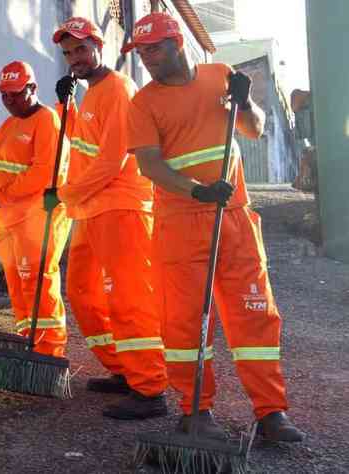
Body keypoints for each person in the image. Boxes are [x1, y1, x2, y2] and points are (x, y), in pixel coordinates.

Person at [124, 12, 305, 441]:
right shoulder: (143, 103)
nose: (147, 58)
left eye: (155, 48)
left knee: (255, 316)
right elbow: (149, 164)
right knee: (185, 324)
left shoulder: (220, 75)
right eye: (142, 51)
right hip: (181, 223)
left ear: (177, 43)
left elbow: (254, 128)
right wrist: (197, 191)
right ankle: (195, 410)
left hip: (236, 219)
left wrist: (244, 101)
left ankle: (270, 412)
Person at [43, 17, 168, 419]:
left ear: (98, 46)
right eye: (67, 52)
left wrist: (62, 195)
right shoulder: (91, 92)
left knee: (129, 297)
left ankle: (150, 388)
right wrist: (67, 105)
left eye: (81, 48)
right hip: (90, 209)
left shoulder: (118, 89)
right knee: (83, 292)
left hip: (120, 207)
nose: (74, 57)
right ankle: (123, 367)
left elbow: (112, 161)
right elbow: (82, 144)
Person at [0, 61, 71, 357]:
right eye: (5, 96)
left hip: (36, 218)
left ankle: (49, 352)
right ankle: (28, 343)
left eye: (15, 94)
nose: (9, 101)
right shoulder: (12, 123)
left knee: (38, 283)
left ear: (32, 88)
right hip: (8, 220)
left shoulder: (47, 121)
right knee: (18, 286)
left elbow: (44, 173)